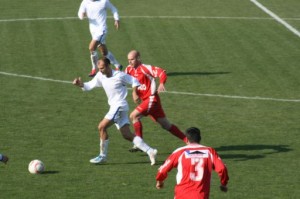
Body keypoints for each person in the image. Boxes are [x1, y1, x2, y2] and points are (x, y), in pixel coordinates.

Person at [73, 57, 157, 165]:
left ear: (108, 66)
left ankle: (102, 156)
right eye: (99, 68)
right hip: (115, 107)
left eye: (102, 68)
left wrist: (134, 92)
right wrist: (80, 84)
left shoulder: (119, 75)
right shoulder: (100, 75)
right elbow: (89, 86)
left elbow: (134, 81)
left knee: (101, 127)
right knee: (126, 135)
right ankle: (150, 151)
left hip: (119, 106)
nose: (100, 70)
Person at [125, 50, 187, 152]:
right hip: (148, 102)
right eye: (128, 60)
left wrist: (162, 83)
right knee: (166, 125)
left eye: (132, 59)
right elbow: (125, 79)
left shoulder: (146, 68)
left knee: (134, 116)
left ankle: (139, 143)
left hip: (151, 99)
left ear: (138, 58)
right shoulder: (129, 69)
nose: (130, 62)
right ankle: (188, 141)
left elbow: (161, 72)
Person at [156, 127, 229, 199]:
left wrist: (160, 181)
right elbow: (222, 168)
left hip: (181, 195)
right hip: (201, 196)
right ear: (199, 138)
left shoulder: (180, 152)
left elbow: (163, 170)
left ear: (187, 139)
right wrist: (223, 183)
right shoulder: (210, 151)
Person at [78, 0, 122, 77]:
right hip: (93, 31)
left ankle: (94, 69)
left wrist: (116, 19)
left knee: (91, 48)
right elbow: (80, 13)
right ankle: (118, 65)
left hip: (102, 30)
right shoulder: (85, 2)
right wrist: (82, 15)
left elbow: (113, 9)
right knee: (104, 52)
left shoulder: (104, 1)